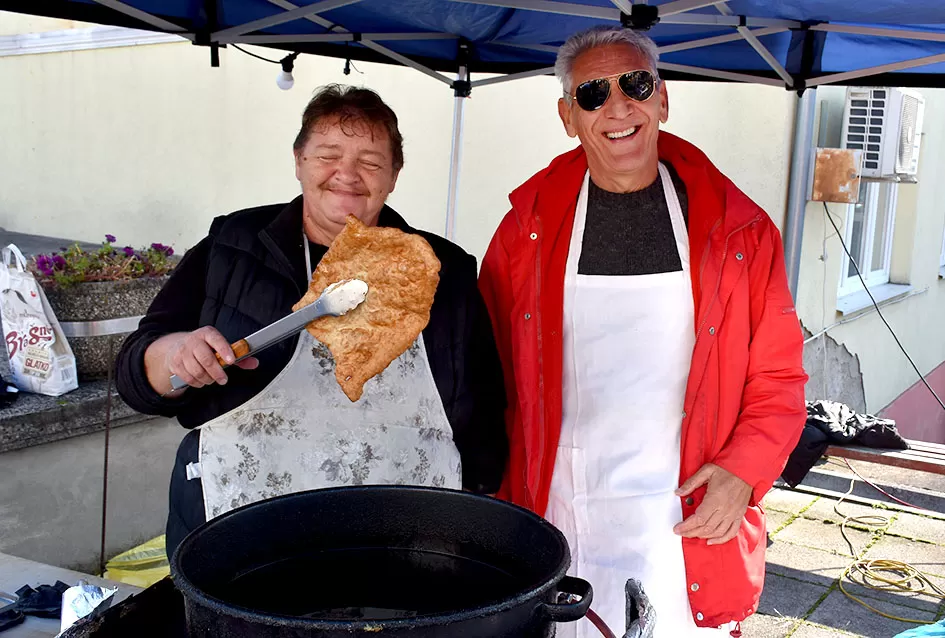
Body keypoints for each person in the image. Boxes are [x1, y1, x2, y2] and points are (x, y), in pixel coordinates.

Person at [478, 26, 807, 637]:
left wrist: (745, 471)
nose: (617, 107)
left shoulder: (739, 232)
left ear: (662, 98)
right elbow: (481, 368)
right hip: (555, 503)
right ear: (568, 118)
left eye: (634, 84)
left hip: (684, 509)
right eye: (592, 95)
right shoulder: (524, 230)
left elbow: (779, 377)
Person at [116, 84, 508, 557]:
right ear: (299, 160)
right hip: (242, 523)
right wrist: (174, 356)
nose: (347, 174)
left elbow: (483, 409)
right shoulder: (233, 244)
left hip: (403, 532)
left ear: (393, 175)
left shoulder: (444, 269)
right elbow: (136, 369)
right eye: (328, 155)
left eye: (370, 160)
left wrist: (478, 514)